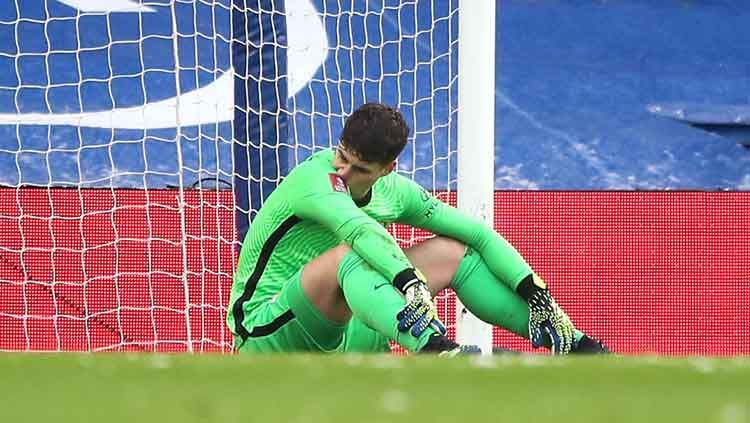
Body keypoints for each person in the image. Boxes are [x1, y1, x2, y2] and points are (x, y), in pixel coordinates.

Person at [226, 102, 608, 355]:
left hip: (348, 328)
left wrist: (536, 292)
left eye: (359, 169)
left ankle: (576, 348)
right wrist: (409, 282)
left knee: (453, 253)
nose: (343, 172)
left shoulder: (395, 192)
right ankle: (436, 351)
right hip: (269, 330)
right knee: (350, 255)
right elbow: (359, 231)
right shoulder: (313, 180)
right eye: (341, 157)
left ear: (386, 170)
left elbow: (478, 235)